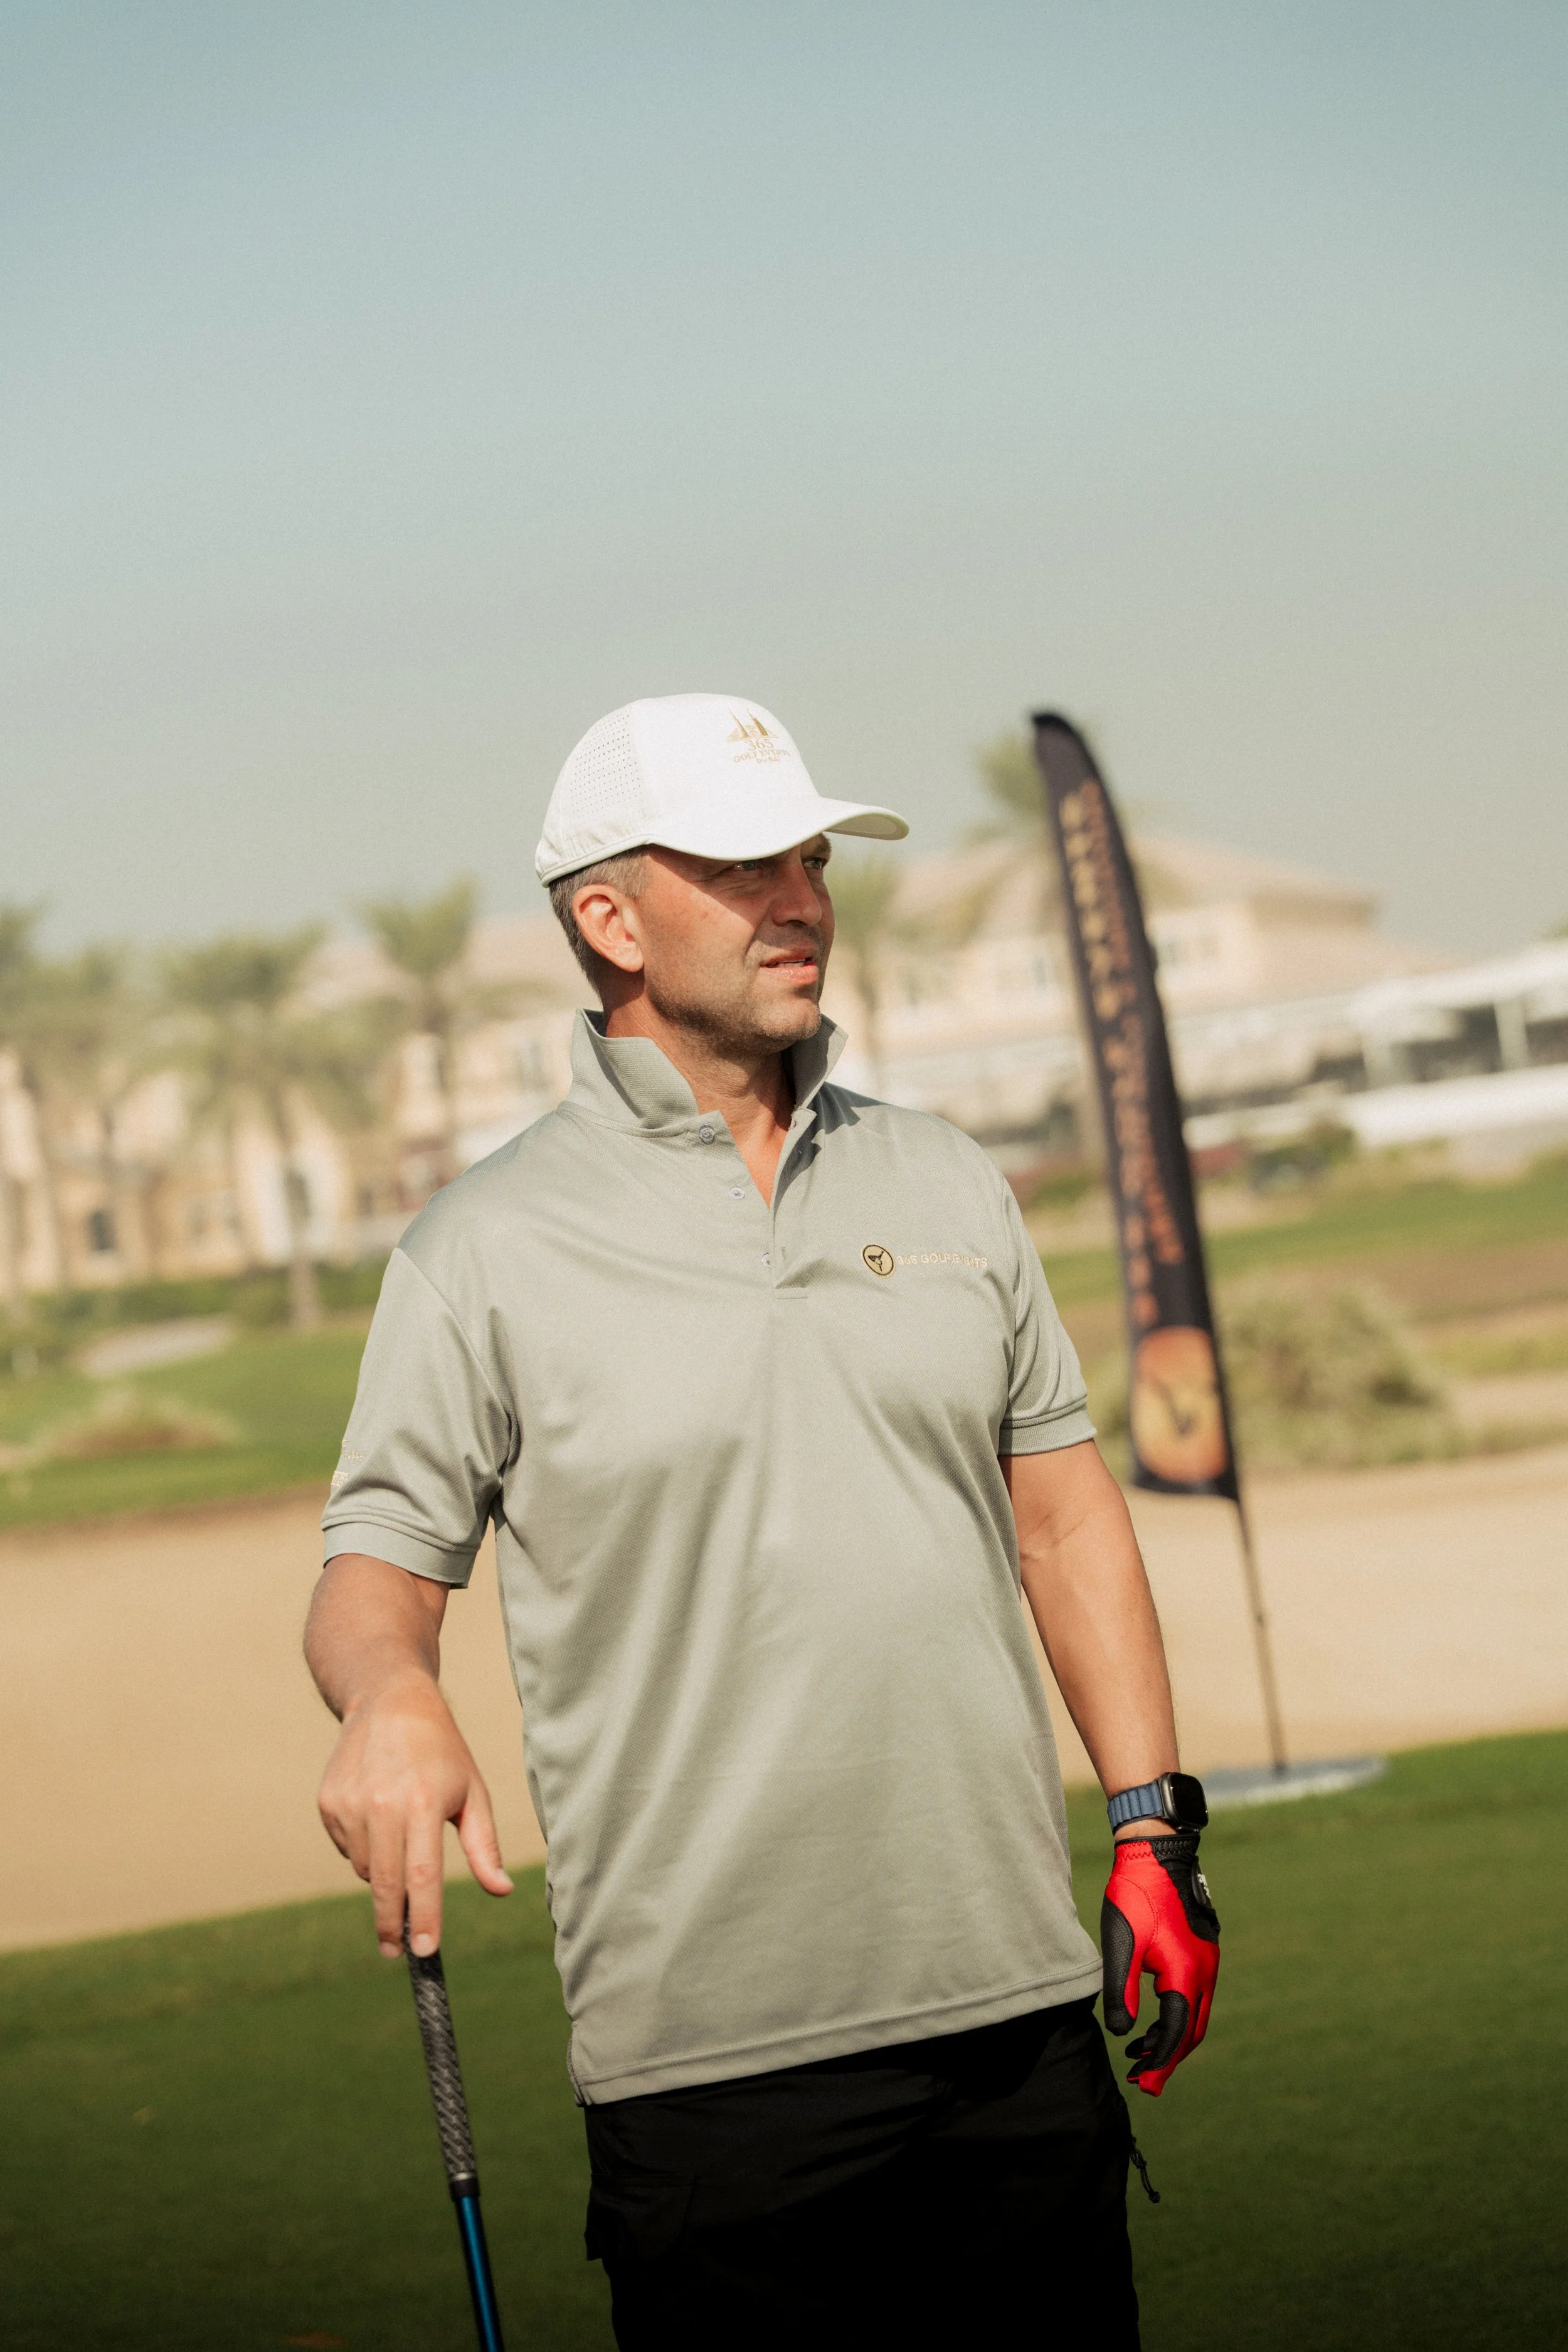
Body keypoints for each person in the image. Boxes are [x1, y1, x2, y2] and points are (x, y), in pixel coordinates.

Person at [305, 693, 1220, 2349]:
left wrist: (1154, 1824)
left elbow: (1067, 1518)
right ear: (607, 917)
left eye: (809, 855)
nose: (799, 894)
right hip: (712, 2077)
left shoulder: (945, 1182)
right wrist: (388, 1693)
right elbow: (373, 1566)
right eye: (741, 864)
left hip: (1016, 2026)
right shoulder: (483, 1245)